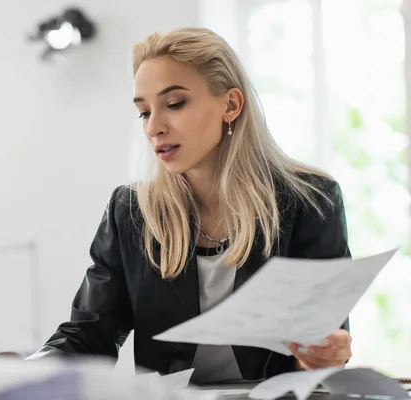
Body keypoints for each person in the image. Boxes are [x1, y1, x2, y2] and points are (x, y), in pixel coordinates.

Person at [28, 27, 352, 384]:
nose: (154, 127)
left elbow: (326, 341)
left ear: (230, 105)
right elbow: (89, 335)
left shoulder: (311, 202)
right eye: (144, 112)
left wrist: (322, 357)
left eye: (175, 104)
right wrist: (18, 374)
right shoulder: (132, 211)